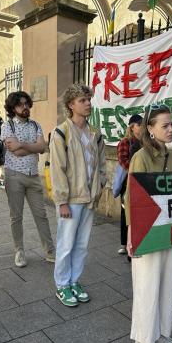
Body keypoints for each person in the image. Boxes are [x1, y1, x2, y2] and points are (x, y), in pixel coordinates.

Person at [125, 104, 172, 343]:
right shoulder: (141, 157)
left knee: (169, 284)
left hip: (170, 230)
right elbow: (133, 199)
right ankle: (143, 339)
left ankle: (161, 333)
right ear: (150, 128)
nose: (170, 130)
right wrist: (131, 235)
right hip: (147, 231)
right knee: (147, 285)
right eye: (165, 125)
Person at [50, 84, 106, 307]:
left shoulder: (95, 133)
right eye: (83, 100)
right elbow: (57, 169)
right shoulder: (61, 132)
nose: (88, 104)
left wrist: (100, 185)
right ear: (71, 105)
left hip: (89, 198)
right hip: (71, 200)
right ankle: (62, 285)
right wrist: (61, 200)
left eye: (89, 100)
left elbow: (101, 163)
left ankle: (74, 280)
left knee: (82, 244)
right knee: (65, 244)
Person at [1, 91, 55, 267]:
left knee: (41, 215)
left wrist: (22, 145)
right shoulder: (7, 125)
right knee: (16, 216)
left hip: (33, 175)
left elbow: (42, 146)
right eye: (20, 104)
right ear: (12, 108)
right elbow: (16, 151)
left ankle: (50, 251)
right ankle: (19, 251)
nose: (24, 107)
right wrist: (33, 147)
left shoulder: (35, 125)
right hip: (14, 175)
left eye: (26, 103)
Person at [116, 114, 143, 255]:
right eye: (139, 125)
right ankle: (124, 243)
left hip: (143, 182)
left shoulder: (146, 142)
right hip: (128, 183)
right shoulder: (125, 142)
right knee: (125, 213)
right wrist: (137, 169)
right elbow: (123, 161)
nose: (142, 127)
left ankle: (137, 241)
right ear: (132, 127)